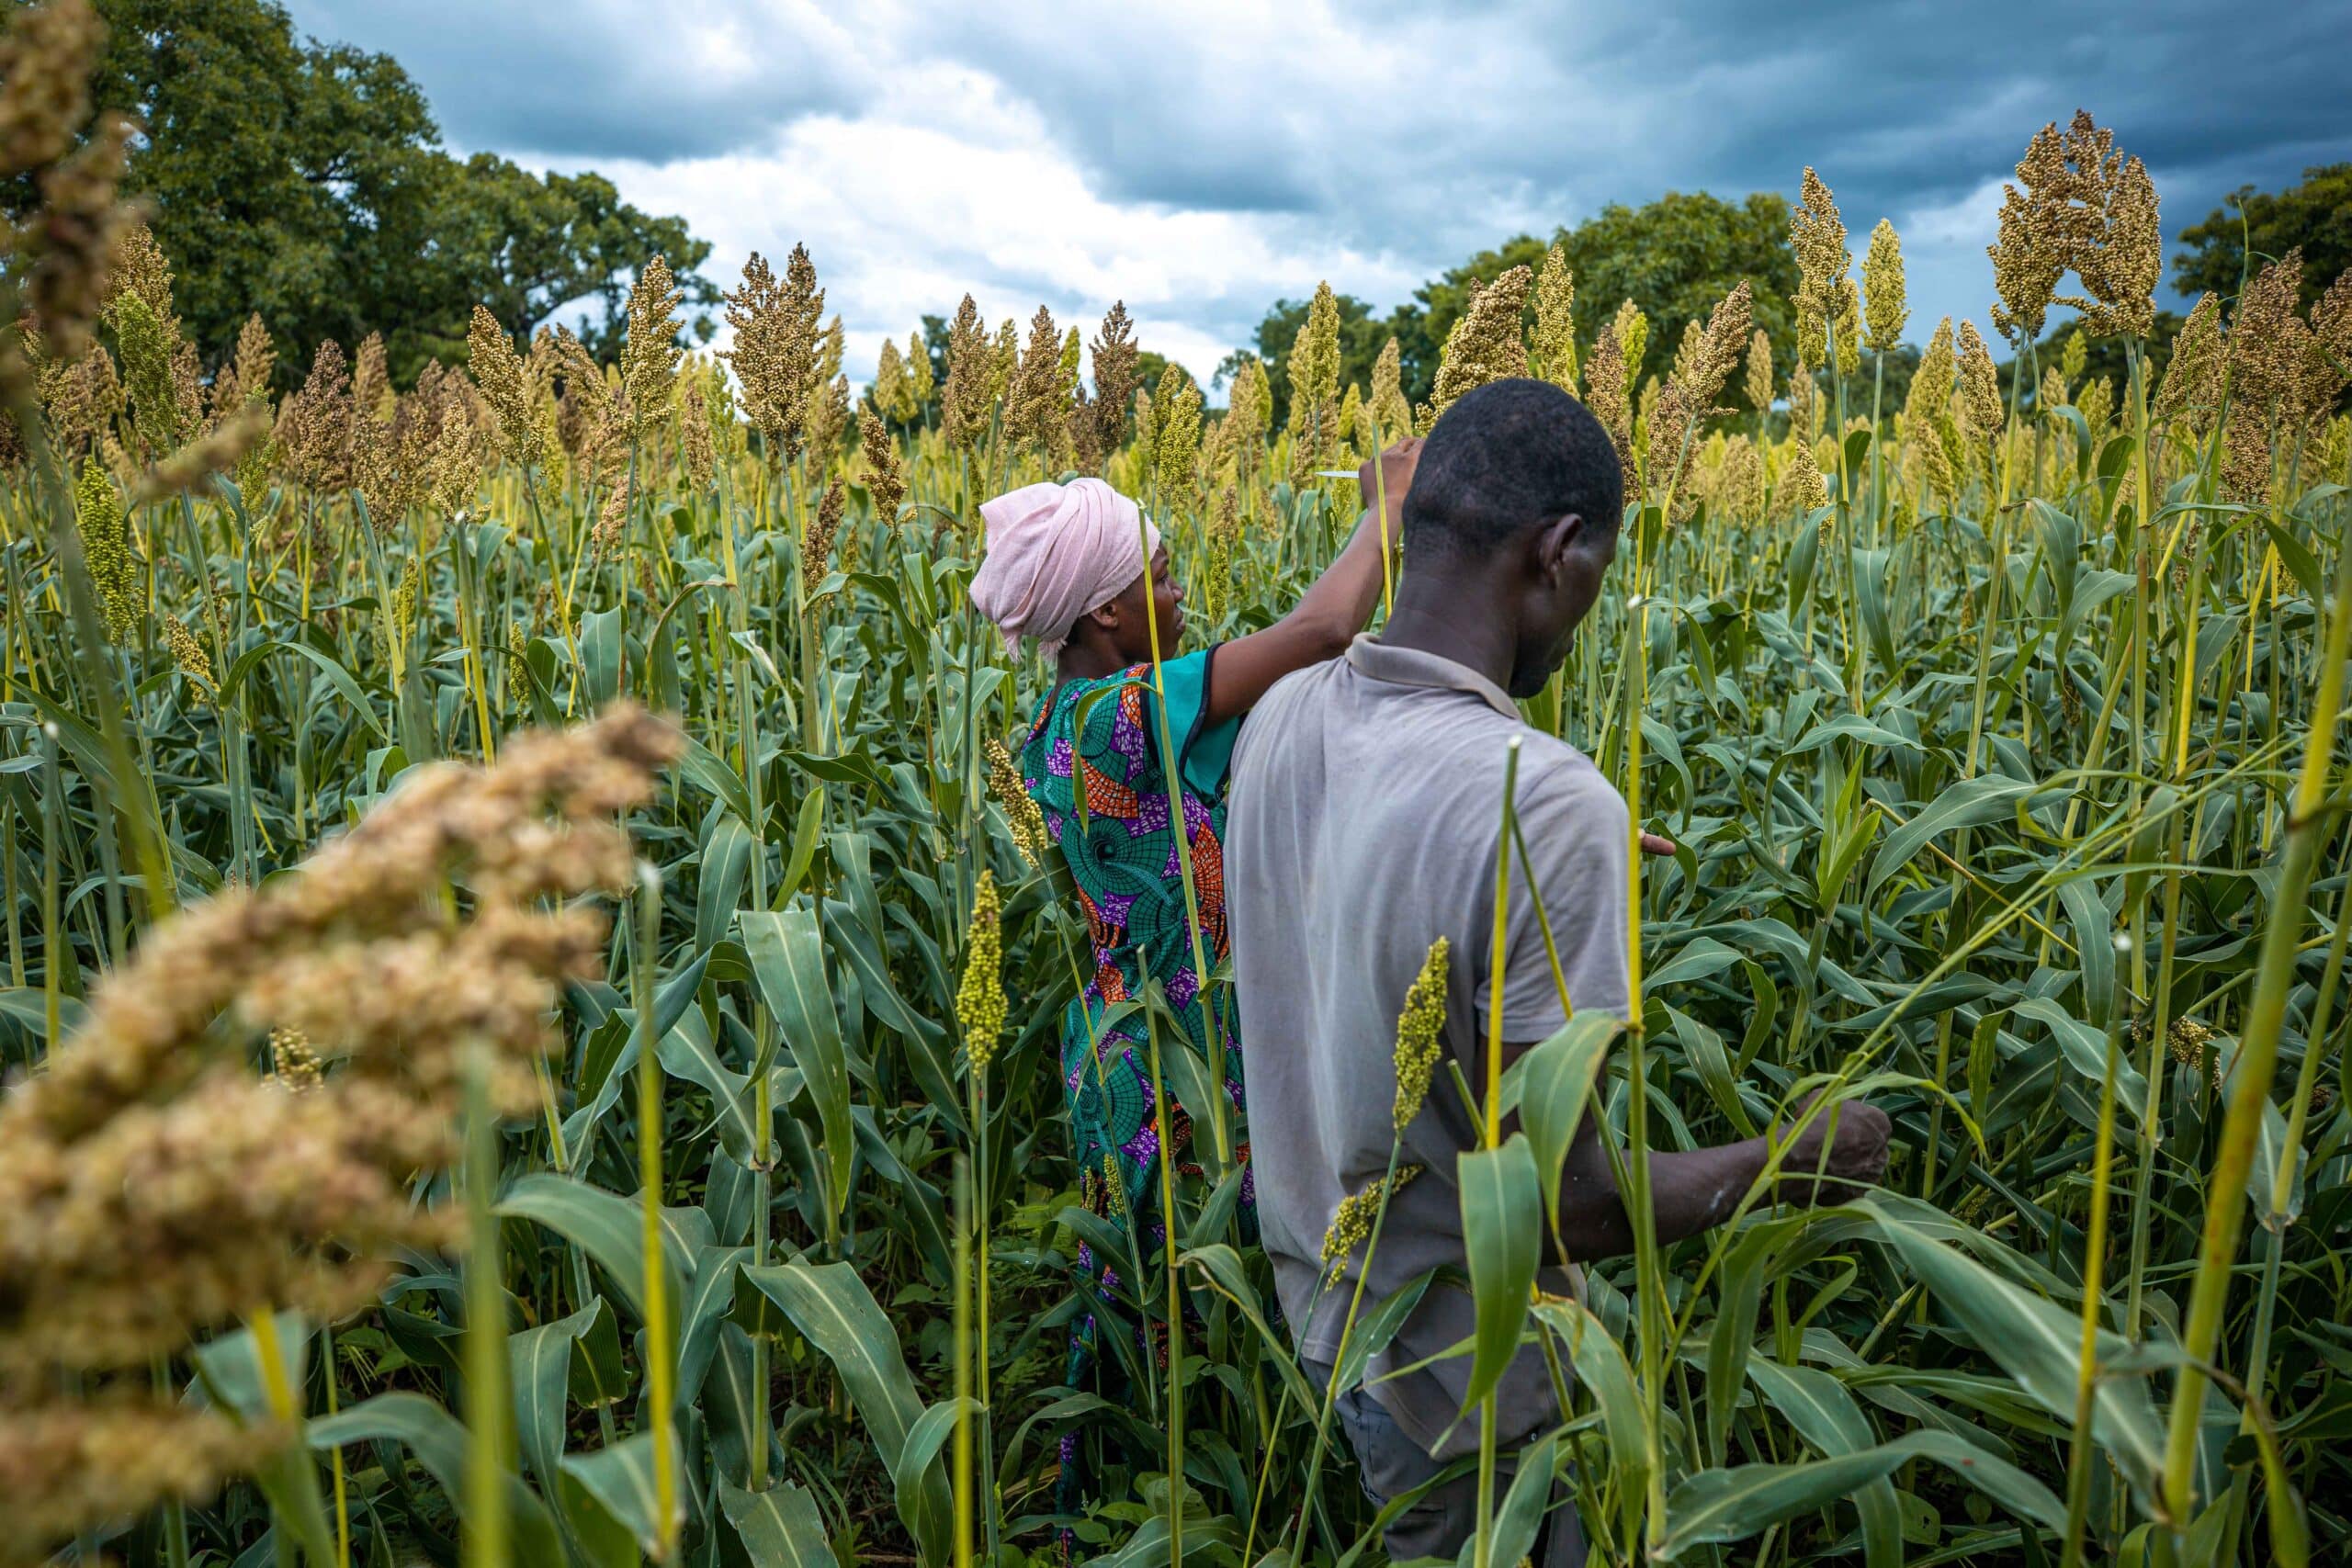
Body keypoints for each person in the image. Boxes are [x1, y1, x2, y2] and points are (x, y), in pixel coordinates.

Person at [1227, 379, 1891, 1566]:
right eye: (1590, 581)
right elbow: (1565, 1202)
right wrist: (1797, 1160)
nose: (1582, 612)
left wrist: (1540, 853)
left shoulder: (1278, 718)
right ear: (1559, 552)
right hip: (1473, 1399)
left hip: (1334, 1337)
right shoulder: (1544, 800)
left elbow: (1368, 876)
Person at [966, 443, 1421, 1536]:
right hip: (1179, 1057)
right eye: (1160, 578)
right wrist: (1388, 516)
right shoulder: (1118, 716)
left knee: (1143, 1291)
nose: (1181, 594)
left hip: (1135, 1045)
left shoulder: (1078, 726)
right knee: (1188, 1289)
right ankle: (1181, 1516)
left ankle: (1126, 1504)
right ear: (1109, 615)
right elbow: (1319, 635)